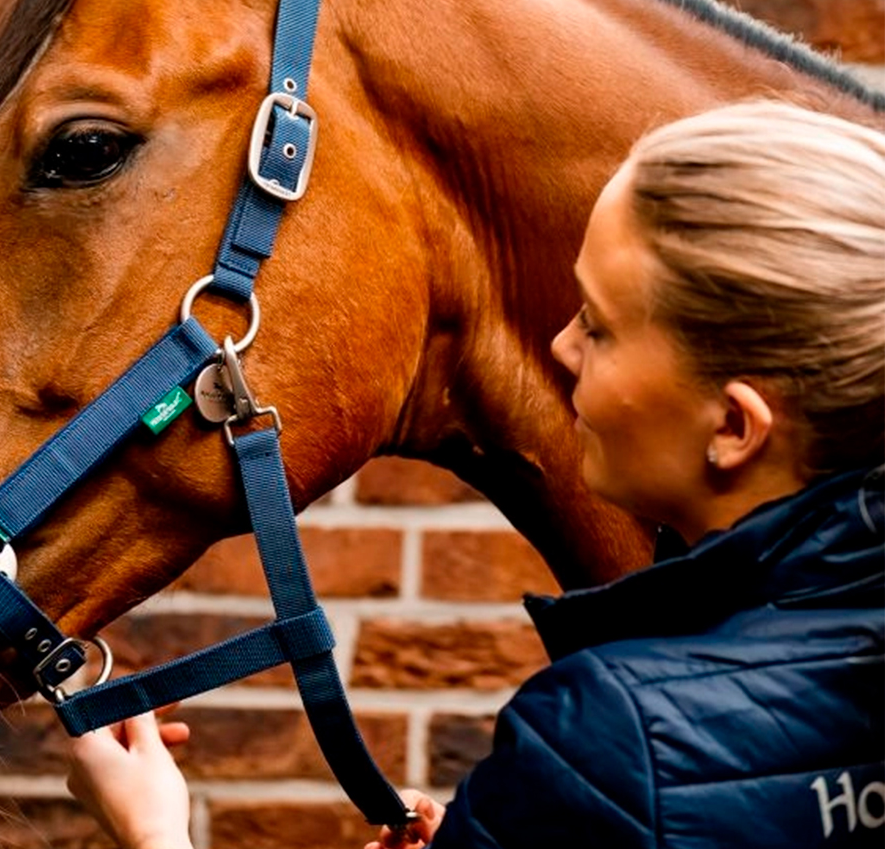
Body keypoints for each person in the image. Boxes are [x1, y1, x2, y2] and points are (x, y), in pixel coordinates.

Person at [61, 100, 885, 849]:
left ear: (733, 427)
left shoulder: (612, 738)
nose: (560, 348)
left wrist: (152, 832)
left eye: (598, 329)